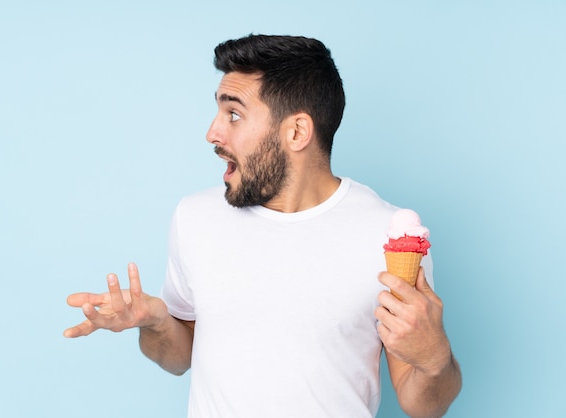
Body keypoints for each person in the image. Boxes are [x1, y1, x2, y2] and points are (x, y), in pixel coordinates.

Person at [64, 34, 461, 417]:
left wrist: (434, 359)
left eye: (233, 113)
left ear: (297, 132)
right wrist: (155, 324)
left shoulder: (390, 237)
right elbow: (178, 357)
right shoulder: (195, 217)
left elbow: (422, 405)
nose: (212, 133)